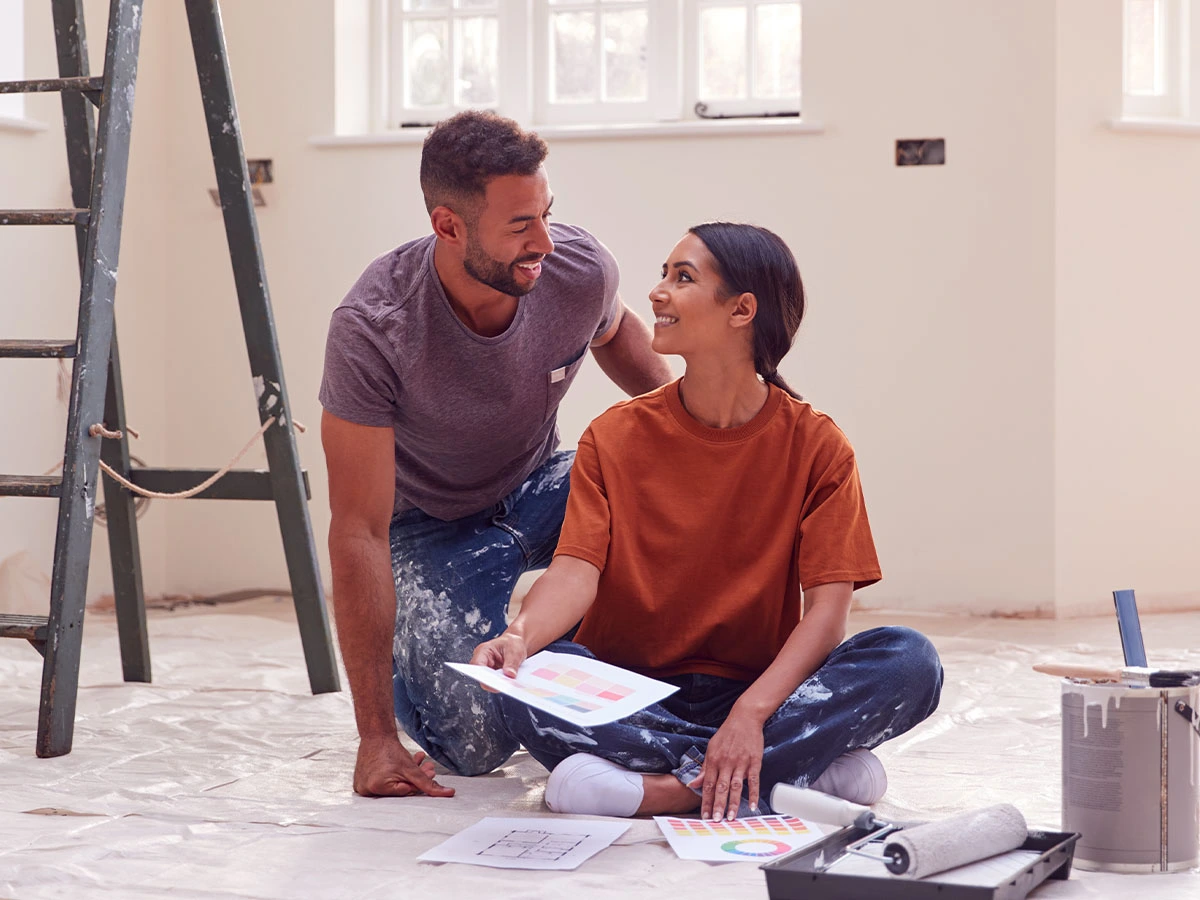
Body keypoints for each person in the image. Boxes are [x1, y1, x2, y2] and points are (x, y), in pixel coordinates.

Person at [469, 223, 944, 820]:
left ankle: (670, 789)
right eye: (664, 274)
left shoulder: (819, 446)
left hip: (758, 694)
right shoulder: (614, 435)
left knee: (909, 659)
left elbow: (827, 614)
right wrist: (519, 637)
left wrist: (749, 716)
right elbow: (574, 571)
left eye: (682, 277)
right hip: (627, 690)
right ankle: (790, 772)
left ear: (742, 309)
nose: (656, 293)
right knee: (531, 685)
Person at [319, 111, 673, 799]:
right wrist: (374, 740)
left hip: (543, 488)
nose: (543, 240)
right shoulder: (374, 330)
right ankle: (440, 663)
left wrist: (732, 444)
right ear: (449, 226)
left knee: (673, 469)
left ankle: (637, 668)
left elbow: (646, 373)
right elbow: (357, 530)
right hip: (430, 531)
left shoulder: (577, 270)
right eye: (519, 226)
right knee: (473, 746)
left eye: (546, 213)